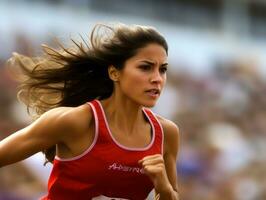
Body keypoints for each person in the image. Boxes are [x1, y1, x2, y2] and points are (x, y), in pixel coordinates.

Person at [0, 23, 180, 200]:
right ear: (114, 72)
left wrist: (164, 190)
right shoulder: (75, 121)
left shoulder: (167, 133)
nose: (157, 78)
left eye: (162, 69)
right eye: (145, 67)